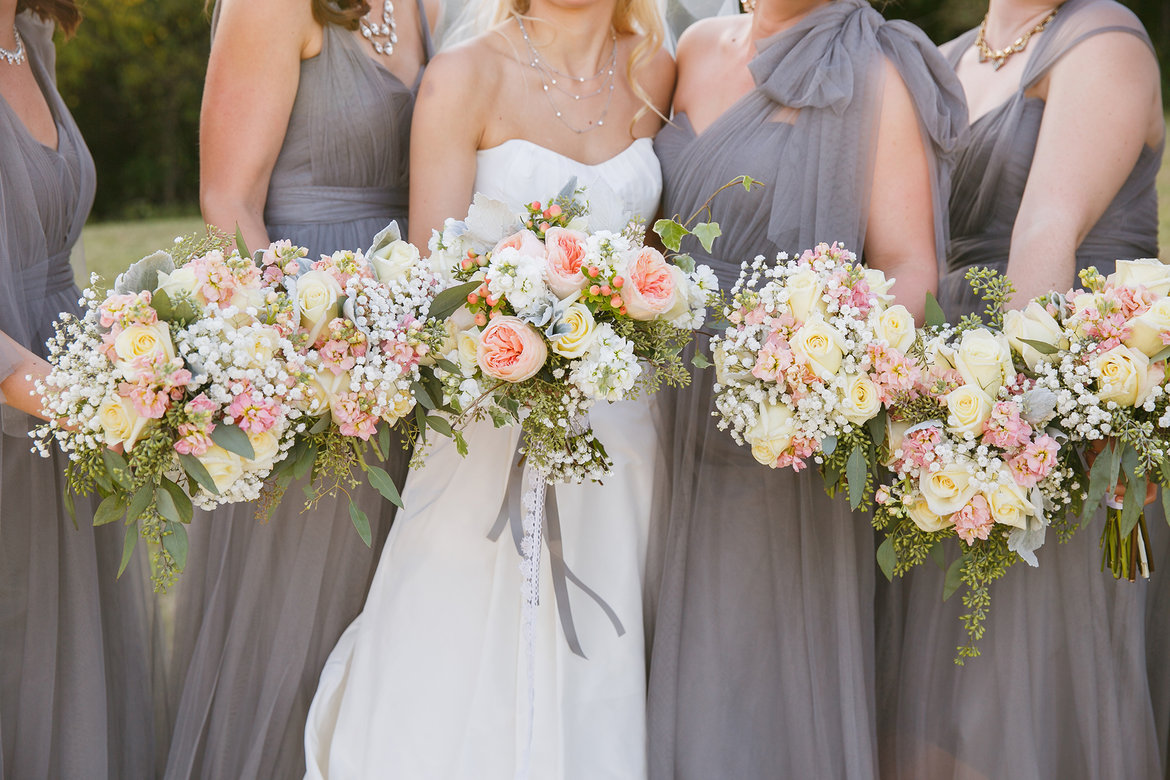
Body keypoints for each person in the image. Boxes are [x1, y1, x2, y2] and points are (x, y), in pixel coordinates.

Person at [302, 0, 673, 775]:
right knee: (455, 639)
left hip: (623, 439)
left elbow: (654, 263)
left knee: (603, 660)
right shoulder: (463, 76)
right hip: (488, 420)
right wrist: (523, 345)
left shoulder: (654, 73)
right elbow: (431, 291)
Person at [645, 0, 966, 777]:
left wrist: (810, 376)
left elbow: (910, 265)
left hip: (771, 425)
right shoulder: (690, 45)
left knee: (740, 671)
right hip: (651, 401)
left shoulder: (879, 70)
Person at [876, 1, 1165, 778]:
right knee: (927, 711)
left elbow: (1046, 230)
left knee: (1024, 699)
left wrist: (1007, 435)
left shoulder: (1103, 37)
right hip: (937, 418)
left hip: (1053, 423)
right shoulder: (943, 57)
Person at [163, 0, 435, 776]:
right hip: (305, 363)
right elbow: (228, 202)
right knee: (295, 627)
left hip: (404, 352)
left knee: (389, 629)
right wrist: (306, 350)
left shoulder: (426, 6)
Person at [0, 2, 155, 777]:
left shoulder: (29, 39)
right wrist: (76, 401)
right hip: (23, 408)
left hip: (66, 404)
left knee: (73, 671)